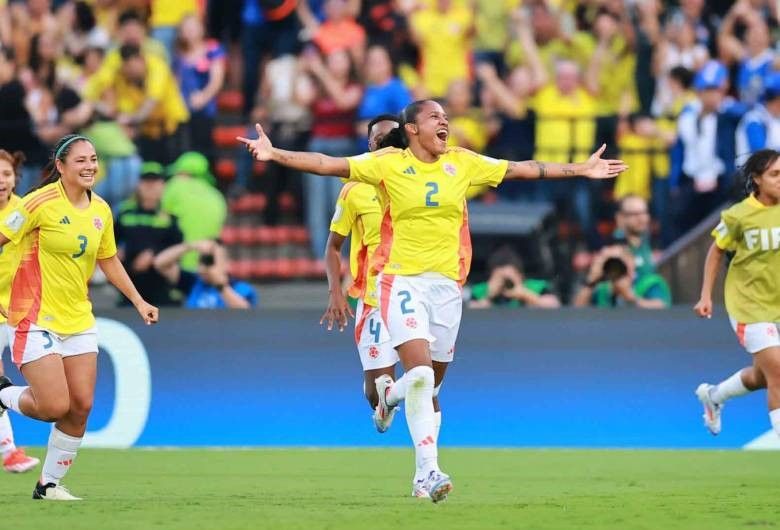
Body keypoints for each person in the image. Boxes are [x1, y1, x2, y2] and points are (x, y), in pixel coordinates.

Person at [238, 99, 627, 503]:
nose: (445, 122)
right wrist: (273, 153)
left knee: (431, 384)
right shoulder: (387, 164)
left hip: (446, 288)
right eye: (434, 117)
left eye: (445, 117)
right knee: (420, 376)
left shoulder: (462, 162)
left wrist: (581, 169)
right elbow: (323, 162)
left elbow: (521, 169)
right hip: (399, 282)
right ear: (412, 129)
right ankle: (428, 472)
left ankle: (394, 405)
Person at [0, 134, 158, 501]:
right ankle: (3, 393)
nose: (90, 166)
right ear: (61, 166)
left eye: (94, 159)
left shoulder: (101, 209)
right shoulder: (39, 203)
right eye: (81, 160)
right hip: (34, 317)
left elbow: (108, 259)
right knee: (54, 405)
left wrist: (138, 300)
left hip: (78, 320)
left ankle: (48, 485)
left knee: (81, 404)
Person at [321, 114, 438, 498]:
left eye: (389, 136)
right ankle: (384, 399)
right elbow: (333, 247)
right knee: (375, 392)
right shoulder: (354, 189)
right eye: (376, 138)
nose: (382, 142)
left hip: (411, 296)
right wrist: (336, 293)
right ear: (369, 145)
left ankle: (426, 472)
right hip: (371, 300)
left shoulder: (419, 179)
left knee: (425, 384)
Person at [694, 149, 780, 438]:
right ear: (756, 179)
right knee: (778, 374)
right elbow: (716, 250)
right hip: (749, 305)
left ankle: (715, 396)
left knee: (762, 376)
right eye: (775, 175)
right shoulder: (738, 215)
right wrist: (706, 294)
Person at [0, 149, 40, 473]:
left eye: (7, 174)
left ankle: (9, 452)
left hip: (15, 309)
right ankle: (9, 452)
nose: (2, 181)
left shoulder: (24, 211)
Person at [115, 162, 183, 307]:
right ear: (139, 185)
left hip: (161, 287)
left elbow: (178, 248)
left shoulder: (170, 218)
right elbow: (110, 240)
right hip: (130, 288)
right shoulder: (125, 214)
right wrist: (115, 251)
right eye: (146, 181)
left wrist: (154, 254)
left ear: (163, 186)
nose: (150, 186)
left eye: (155, 182)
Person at [154, 239, 257, 309]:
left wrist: (220, 286)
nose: (205, 267)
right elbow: (160, 263)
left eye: (210, 261)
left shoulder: (241, 288)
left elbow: (245, 314)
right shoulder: (193, 281)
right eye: (202, 261)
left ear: (226, 264)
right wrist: (191, 246)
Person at [467, 246, 560, 309]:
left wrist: (525, 294)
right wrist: (489, 296)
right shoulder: (480, 290)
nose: (504, 282)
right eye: (500, 278)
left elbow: (555, 306)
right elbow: (469, 312)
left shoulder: (536, 287)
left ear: (520, 275)